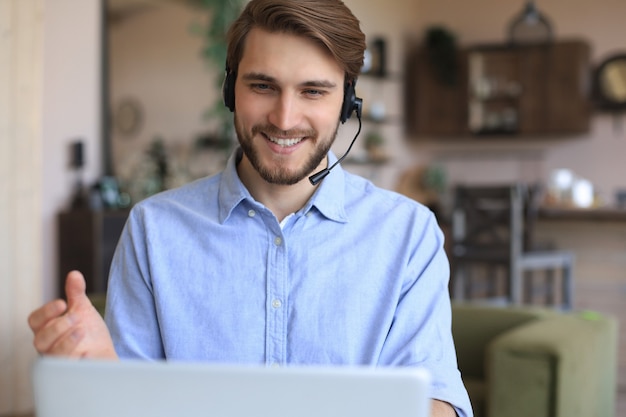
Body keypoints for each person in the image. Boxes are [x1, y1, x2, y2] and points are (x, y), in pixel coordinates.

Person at [28, 1, 472, 416]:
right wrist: (97, 374)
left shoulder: (409, 235)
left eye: (313, 91)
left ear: (347, 103)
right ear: (230, 88)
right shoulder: (152, 230)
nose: (283, 118)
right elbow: (125, 405)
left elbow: (437, 400)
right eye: (263, 85)